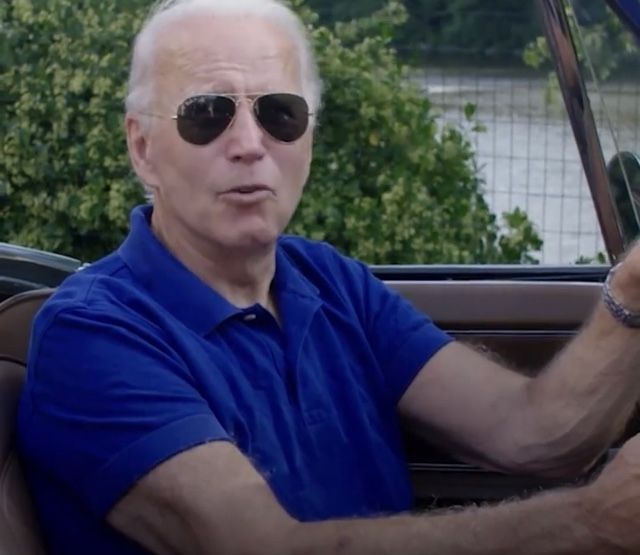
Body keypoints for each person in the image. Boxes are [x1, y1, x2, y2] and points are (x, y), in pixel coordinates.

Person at [15, 0, 640, 553]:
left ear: (309, 135)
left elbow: (532, 431)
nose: (249, 143)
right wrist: (588, 522)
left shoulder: (329, 279)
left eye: (280, 113)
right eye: (206, 114)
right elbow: (260, 546)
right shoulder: (92, 333)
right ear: (142, 147)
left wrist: (631, 290)